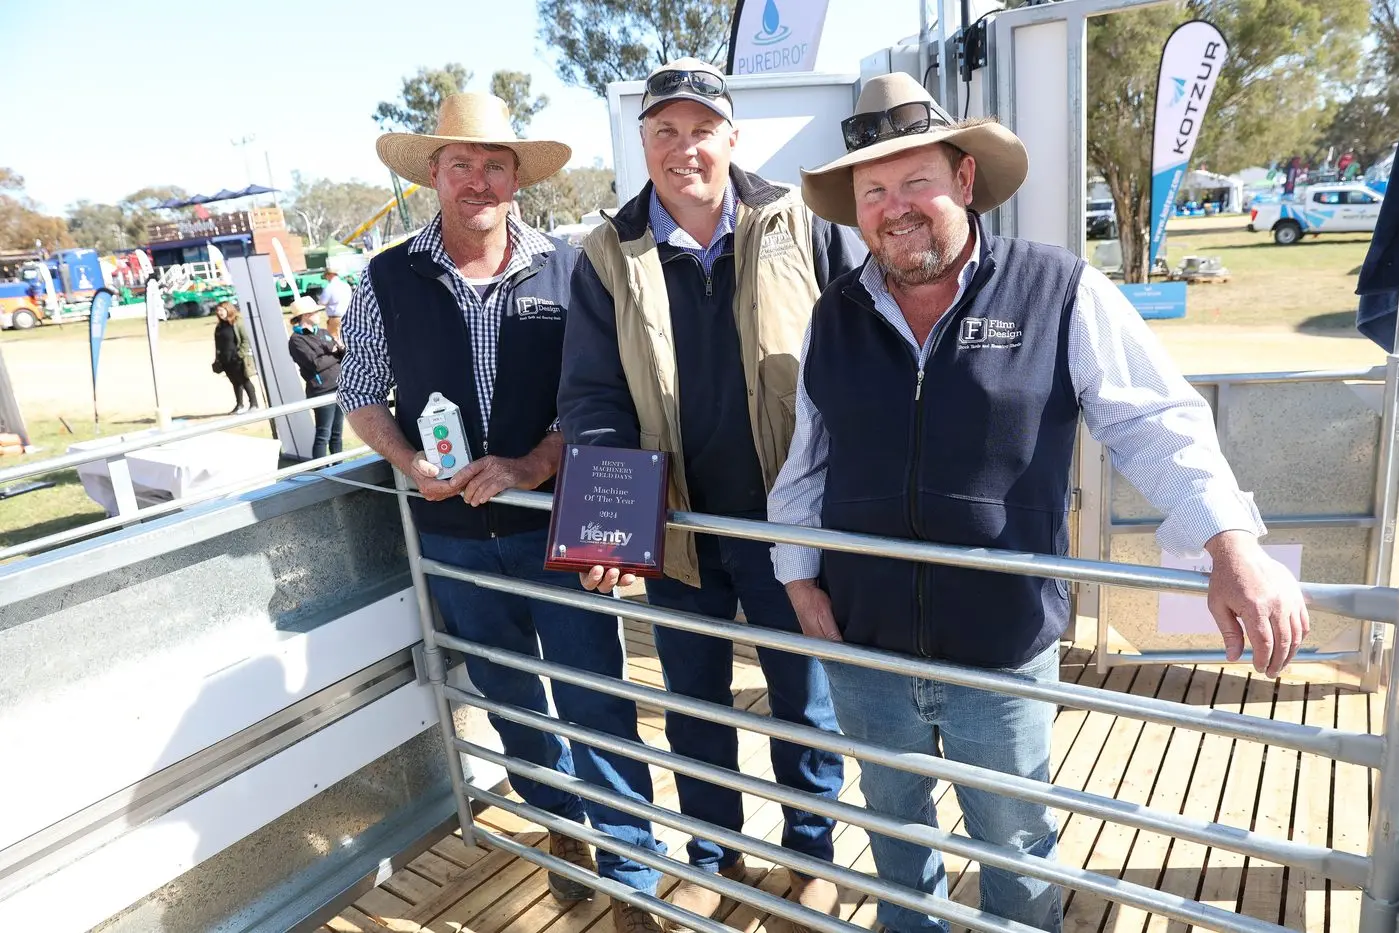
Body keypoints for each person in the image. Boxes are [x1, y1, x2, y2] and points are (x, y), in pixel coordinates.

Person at [768, 72, 1311, 933]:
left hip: (1001, 647)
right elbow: (809, 458)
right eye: (873, 190)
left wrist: (1228, 541)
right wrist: (798, 579)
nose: (894, 206)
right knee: (894, 832)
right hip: (864, 642)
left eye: (915, 181)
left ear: (964, 181)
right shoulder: (833, 314)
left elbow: (1153, 420)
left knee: (1015, 841)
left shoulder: (1058, 287)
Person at [338, 91, 667, 933]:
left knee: (596, 698)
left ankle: (631, 871)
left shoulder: (572, 266)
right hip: (452, 535)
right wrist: (410, 461)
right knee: (512, 700)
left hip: (557, 525)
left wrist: (534, 461)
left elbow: (603, 393)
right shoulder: (384, 277)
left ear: (516, 177)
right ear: (433, 176)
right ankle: (564, 834)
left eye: (493, 164)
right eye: (460, 164)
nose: (477, 179)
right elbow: (361, 395)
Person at [557, 57, 866, 933]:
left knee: (804, 695)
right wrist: (613, 513)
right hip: (677, 524)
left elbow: (857, 350)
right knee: (694, 701)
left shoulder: (800, 222)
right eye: (663, 131)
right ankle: (710, 854)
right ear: (642, 142)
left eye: (700, 130)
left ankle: (810, 856)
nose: (682, 147)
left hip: (788, 521)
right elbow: (589, 394)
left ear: (732, 137)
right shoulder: (606, 252)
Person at [286, 295, 344, 459]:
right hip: (321, 390)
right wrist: (333, 353)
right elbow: (314, 363)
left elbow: (341, 354)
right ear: (305, 315)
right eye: (315, 312)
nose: (320, 314)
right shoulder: (296, 340)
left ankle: (340, 467)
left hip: (338, 386)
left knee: (337, 433)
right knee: (323, 434)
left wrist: (337, 350)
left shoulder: (323, 332)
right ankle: (322, 472)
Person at [212, 301, 259, 413]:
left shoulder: (237, 322)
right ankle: (239, 404)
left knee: (244, 380)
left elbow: (246, 340)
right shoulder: (219, 327)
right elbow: (218, 345)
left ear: (228, 309)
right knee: (235, 382)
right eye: (218, 311)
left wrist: (240, 354)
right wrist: (218, 360)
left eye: (222, 310)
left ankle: (254, 404)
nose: (220, 313)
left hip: (238, 359)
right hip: (225, 360)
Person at [319, 266, 353, 341]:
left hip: (335, 318)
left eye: (326, 276)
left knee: (334, 339)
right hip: (348, 316)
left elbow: (322, 302)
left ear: (330, 275)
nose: (326, 278)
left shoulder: (329, 287)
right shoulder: (346, 286)